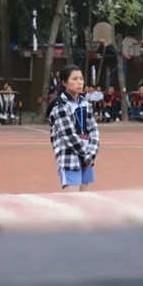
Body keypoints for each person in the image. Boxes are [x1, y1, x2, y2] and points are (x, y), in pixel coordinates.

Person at [47, 64, 100, 192]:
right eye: (75, 79)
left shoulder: (86, 103)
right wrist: (86, 156)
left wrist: (91, 155)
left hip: (87, 156)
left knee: (84, 197)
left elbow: (94, 130)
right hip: (69, 156)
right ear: (64, 82)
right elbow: (69, 135)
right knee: (72, 197)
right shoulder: (59, 105)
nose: (79, 82)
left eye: (81, 79)